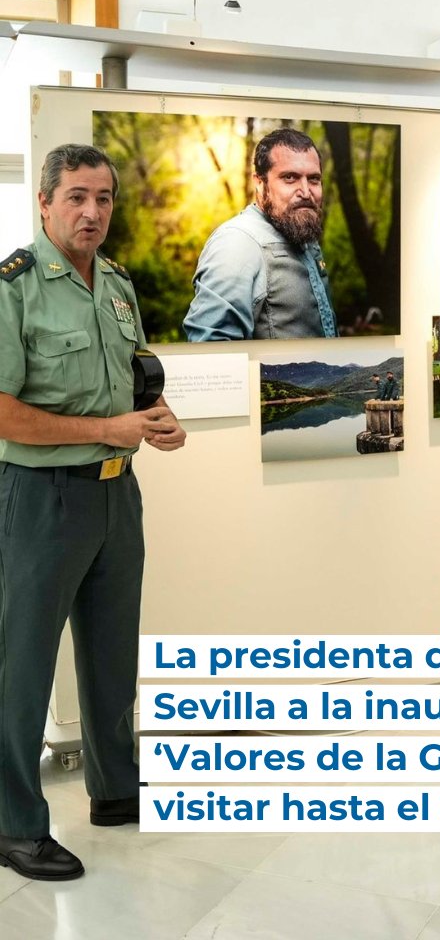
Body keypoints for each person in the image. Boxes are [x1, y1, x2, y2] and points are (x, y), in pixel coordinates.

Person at [0, 144, 187, 880]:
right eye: (77, 196)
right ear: (44, 203)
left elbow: (139, 384)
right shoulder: (14, 290)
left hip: (118, 492)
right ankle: (14, 822)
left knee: (113, 655)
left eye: (104, 198)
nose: (92, 212)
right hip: (40, 501)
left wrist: (161, 421)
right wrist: (104, 430)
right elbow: (6, 413)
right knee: (22, 666)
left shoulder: (116, 283)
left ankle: (116, 789)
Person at [184, 128, 337, 341]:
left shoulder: (300, 233)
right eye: (290, 178)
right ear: (259, 182)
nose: (305, 191)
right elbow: (212, 351)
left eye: (313, 179)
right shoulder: (237, 242)